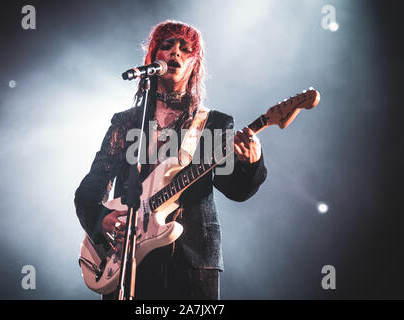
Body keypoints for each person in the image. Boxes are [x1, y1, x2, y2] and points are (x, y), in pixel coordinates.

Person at [74, 20, 267, 300]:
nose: (175, 53)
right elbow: (90, 190)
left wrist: (251, 163)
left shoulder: (213, 123)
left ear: (194, 64)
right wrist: (100, 220)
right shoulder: (126, 123)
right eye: (166, 46)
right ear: (153, 58)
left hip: (192, 261)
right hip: (129, 259)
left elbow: (236, 190)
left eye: (185, 49)